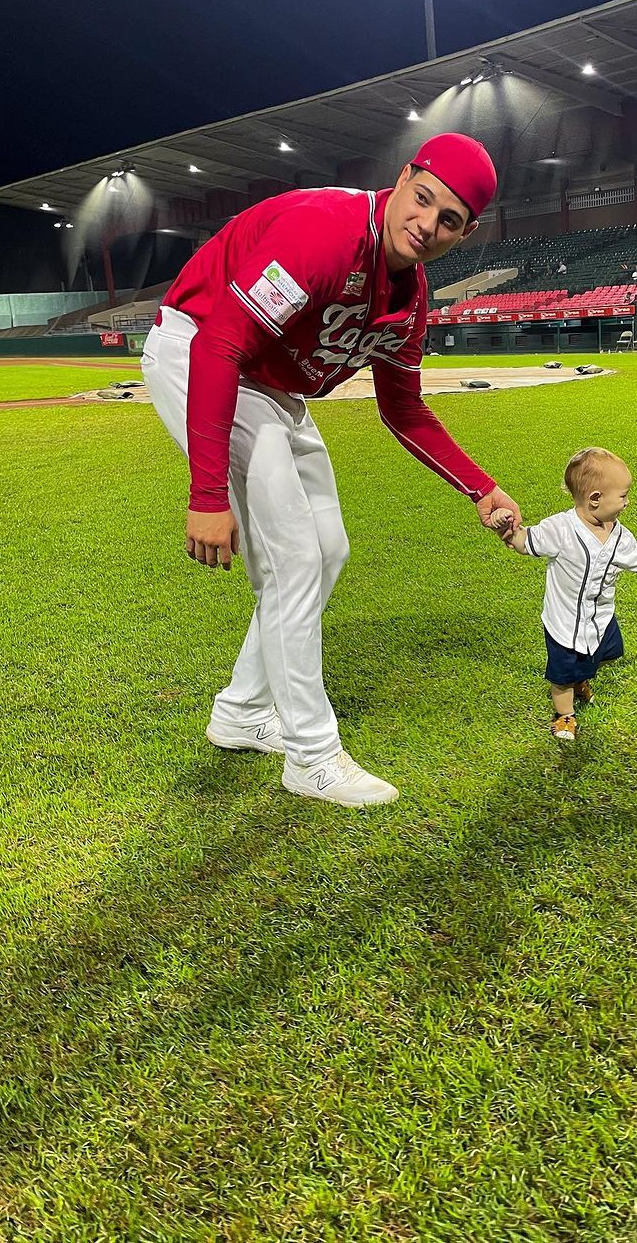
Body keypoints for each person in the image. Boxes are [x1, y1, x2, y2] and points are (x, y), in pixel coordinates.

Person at [142, 132, 521, 808]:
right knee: (291, 557)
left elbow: (404, 411)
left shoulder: (409, 296)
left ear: (466, 233)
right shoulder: (327, 230)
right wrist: (207, 492)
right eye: (424, 199)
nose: (427, 225)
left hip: (273, 386)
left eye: (450, 222)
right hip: (201, 353)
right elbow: (222, 342)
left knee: (329, 550)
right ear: (403, 176)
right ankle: (312, 756)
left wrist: (481, 487)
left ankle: (242, 712)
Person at [488, 447, 637, 740]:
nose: (627, 502)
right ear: (595, 498)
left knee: (609, 653)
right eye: (622, 496)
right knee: (561, 677)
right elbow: (524, 541)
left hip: (601, 618)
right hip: (565, 623)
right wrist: (506, 528)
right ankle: (564, 716)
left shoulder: (619, 534)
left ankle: (581, 678)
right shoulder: (561, 528)